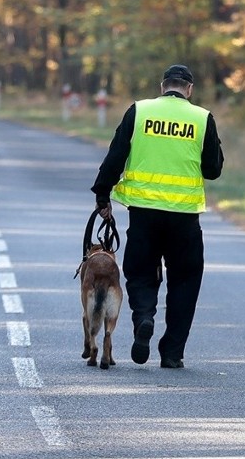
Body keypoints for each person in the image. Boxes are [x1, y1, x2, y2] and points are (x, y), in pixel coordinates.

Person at [91, 64, 224, 369]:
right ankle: (172, 353)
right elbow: (213, 170)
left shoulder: (139, 111)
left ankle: (144, 318)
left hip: (143, 213)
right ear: (189, 89)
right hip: (185, 218)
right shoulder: (202, 118)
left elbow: (116, 154)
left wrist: (102, 194)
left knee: (139, 273)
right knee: (185, 281)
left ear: (162, 86)